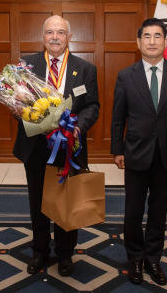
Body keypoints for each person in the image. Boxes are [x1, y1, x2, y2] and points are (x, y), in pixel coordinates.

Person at [111, 18, 167, 285]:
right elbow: (118, 117)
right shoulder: (126, 75)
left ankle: (153, 258)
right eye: (146, 36)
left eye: (157, 36)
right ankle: (135, 258)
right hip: (135, 152)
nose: (152, 41)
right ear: (138, 43)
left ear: (165, 41)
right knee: (133, 211)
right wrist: (117, 150)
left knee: (159, 210)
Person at [13, 15, 100, 277]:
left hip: (68, 146)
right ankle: (39, 250)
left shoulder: (85, 69)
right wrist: (19, 109)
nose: (54, 37)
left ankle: (65, 253)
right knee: (38, 201)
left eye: (60, 32)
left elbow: (93, 106)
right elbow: (17, 101)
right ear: (43, 37)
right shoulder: (26, 65)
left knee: (66, 201)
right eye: (49, 32)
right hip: (36, 145)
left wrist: (77, 126)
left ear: (69, 37)